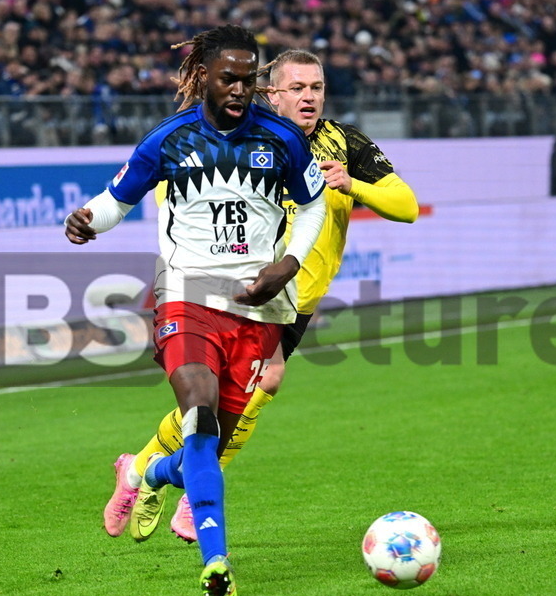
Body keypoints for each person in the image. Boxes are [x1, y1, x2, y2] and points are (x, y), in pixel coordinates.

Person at [104, 48, 418, 544]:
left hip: (296, 298)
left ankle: (143, 469)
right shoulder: (242, 136)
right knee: (256, 384)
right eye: (297, 88)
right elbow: (174, 192)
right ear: (271, 92)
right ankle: (191, 491)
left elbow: (407, 206)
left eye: (316, 88)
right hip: (229, 290)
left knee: (234, 400)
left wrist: (354, 184)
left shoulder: (343, 143)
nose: (309, 97)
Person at [65, 26, 327, 596]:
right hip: (184, 295)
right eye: (228, 77)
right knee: (200, 421)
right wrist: (87, 217)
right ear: (202, 75)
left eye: (248, 78)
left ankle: (143, 473)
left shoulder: (283, 139)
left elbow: (312, 208)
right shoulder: (168, 139)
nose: (239, 88)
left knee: (202, 452)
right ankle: (217, 564)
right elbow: (116, 200)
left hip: (256, 307)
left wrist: (287, 264)